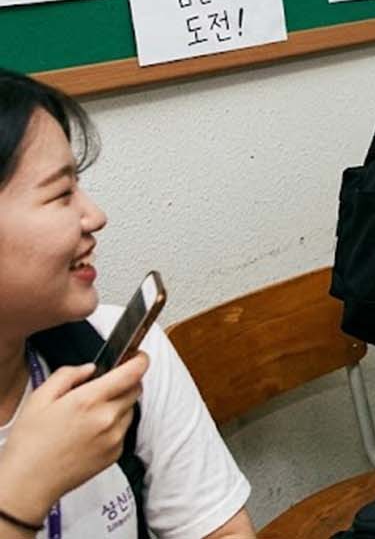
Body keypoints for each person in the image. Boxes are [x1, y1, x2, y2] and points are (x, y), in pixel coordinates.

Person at [0, 71, 256, 539]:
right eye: (61, 194)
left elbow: (220, 530)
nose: (95, 216)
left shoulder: (119, 354)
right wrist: (21, 496)